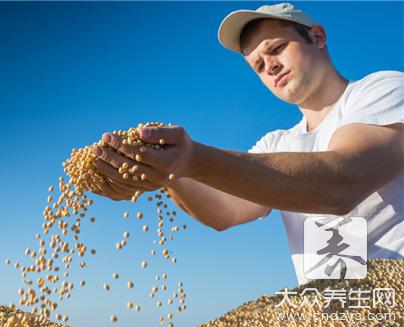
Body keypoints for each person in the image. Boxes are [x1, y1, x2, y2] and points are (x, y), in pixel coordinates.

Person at [90, 3, 403, 285]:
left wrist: (191, 159)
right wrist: (162, 170)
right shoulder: (277, 143)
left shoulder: (381, 90)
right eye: (258, 65)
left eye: (277, 48)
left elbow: (341, 183)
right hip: (330, 314)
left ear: (318, 38)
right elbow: (224, 212)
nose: (270, 66)